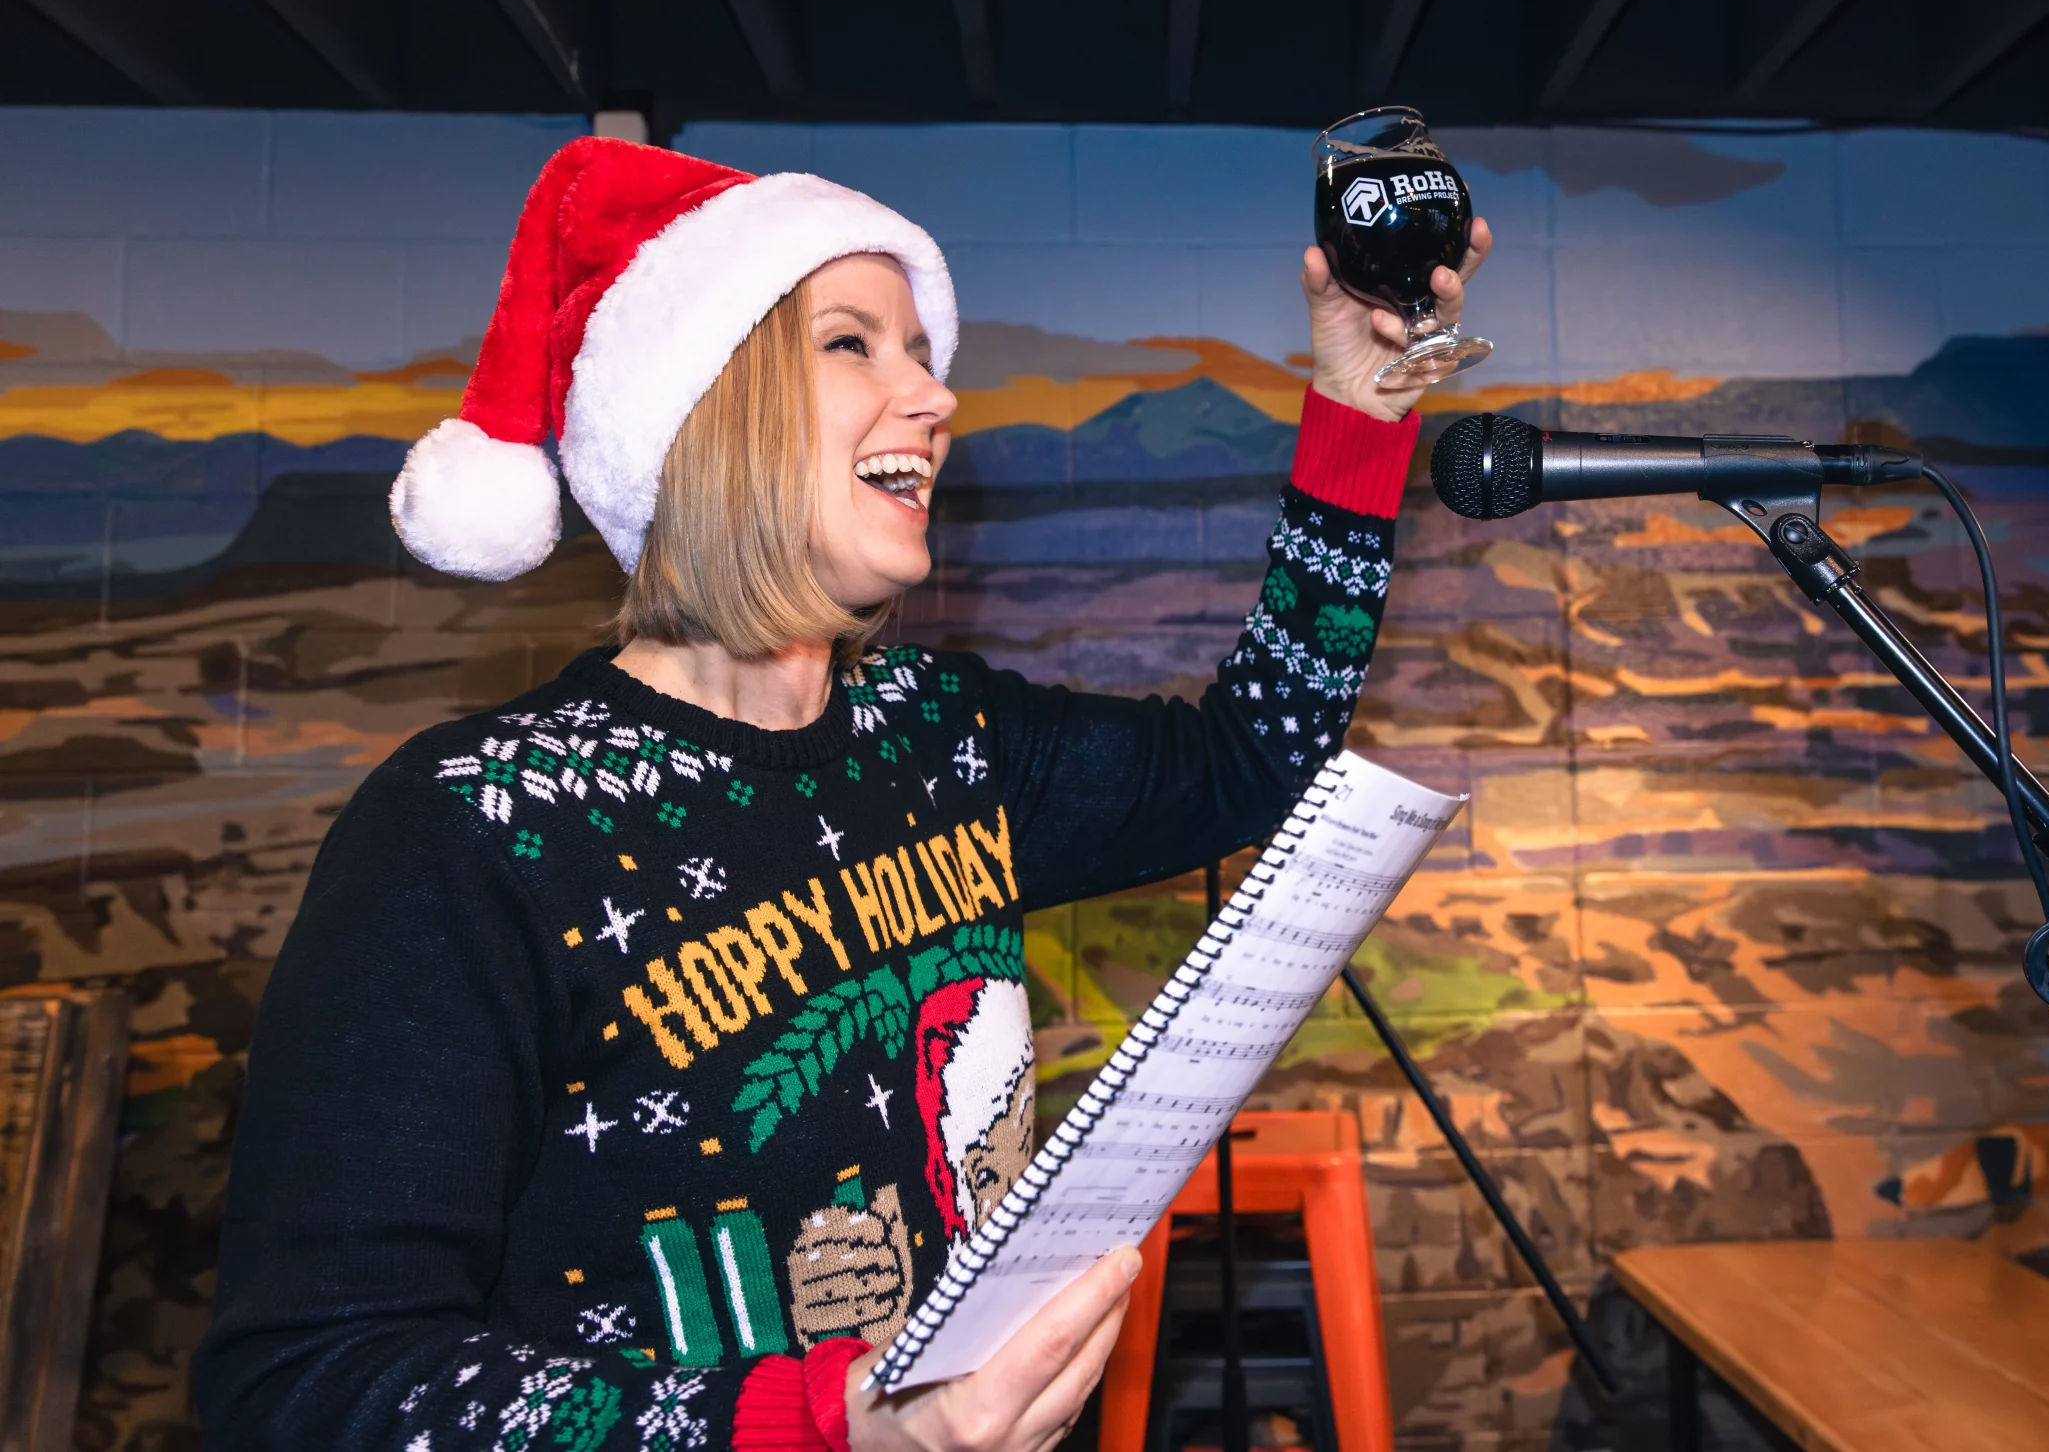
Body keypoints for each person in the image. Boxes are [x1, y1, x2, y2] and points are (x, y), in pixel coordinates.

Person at [195, 136, 1488, 1452]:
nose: (932, 398)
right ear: (703, 405)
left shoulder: (939, 736)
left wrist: (1365, 400)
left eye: (924, 354)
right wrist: (832, 1425)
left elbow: (1254, 752)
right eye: (855, 345)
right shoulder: (476, 824)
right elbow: (309, 1382)